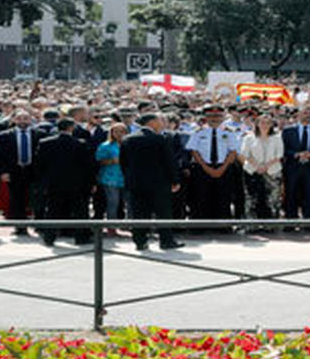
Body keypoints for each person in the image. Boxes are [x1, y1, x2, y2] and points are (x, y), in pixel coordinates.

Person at [119, 113, 183, 251]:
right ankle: (166, 240)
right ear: (152, 122)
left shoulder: (128, 139)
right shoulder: (160, 139)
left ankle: (140, 241)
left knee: (138, 213)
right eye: (159, 120)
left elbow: (123, 163)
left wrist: (129, 179)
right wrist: (175, 180)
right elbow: (169, 162)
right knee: (163, 212)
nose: (162, 123)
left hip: (136, 183)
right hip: (159, 183)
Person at [35, 117, 94, 246]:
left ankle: (49, 237)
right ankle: (81, 237)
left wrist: (42, 182)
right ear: (71, 128)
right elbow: (87, 166)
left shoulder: (45, 143)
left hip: (53, 183)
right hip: (76, 183)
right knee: (79, 211)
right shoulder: (80, 143)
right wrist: (90, 183)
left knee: (52, 210)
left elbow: (39, 165)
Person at [185, 105, 238, 223]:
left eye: (218, 116)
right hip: (202, 168)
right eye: (211, 116)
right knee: (201, 197)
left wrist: (222, 168)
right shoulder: (198, 132)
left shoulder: (229, 132)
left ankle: (223, 226)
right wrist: (205, 167)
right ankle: (201, 225)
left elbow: (233, 151)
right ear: (206, 117)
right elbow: (194, 151)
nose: (214, 119)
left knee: (223, 198)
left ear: (223, 117)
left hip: (223, 168)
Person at [0, 110, 38, 235]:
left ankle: (39, 226)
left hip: (33, 171)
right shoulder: (5, 135)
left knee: (35, 198)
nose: (23, 121)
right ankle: (20, 227)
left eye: (26, 118)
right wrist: (3, 172)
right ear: (14, 120)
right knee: (17, 199)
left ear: (30, 120)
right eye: (20, 118)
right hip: (14, 171)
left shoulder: (38, 134)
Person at [281, 107, 310, 222]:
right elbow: (283, 149)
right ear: (298, 115)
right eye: (305, 113)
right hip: (293, 168)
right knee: (291, 195)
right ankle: (291, 221)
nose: (307, 115)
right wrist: (296, 154)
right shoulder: (288, 131)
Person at [240, 114, 284, 221]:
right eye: (262, 123)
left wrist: (266, 166)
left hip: (272, 172)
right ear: (257, 124)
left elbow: (279, 154)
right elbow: (245, 153)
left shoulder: (277, 138)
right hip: (252, 171)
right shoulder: (249, 137)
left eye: (268, 123)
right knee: (252, 199)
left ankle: (271, 224)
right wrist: (257, 166)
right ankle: (252, 224)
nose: (265, 125)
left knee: (272, 200)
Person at [95, 122, 129, 235]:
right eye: (116, 131)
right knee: (113, 202)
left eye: (122, 131)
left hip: (126, 177)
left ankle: (128, 225)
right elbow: (98, 161)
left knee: (128, 203)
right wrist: (111, 161)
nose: (120, 134)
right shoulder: (105, 146)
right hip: (110, 178)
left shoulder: (129, 144)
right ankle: (111, 227)